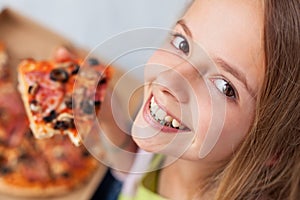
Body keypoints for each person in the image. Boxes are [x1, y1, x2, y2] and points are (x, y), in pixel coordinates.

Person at [87, 0, 299, 199]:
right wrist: (107, 117)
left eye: (224, 86)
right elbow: (134, 172)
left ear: (275, 149)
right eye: (182, 44)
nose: (169, 79)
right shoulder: (171, 134)